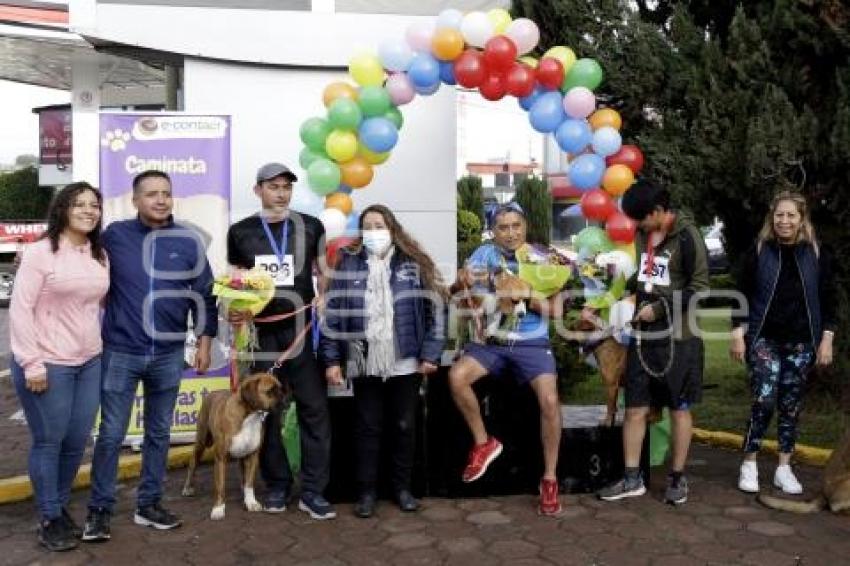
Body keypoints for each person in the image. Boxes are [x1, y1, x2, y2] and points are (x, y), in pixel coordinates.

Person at [83, 170, 217, 541]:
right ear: (135, 200)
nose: (160, 200)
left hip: (169, 355)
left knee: (159, 433)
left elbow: (205, 296)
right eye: (152, 194)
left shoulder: (188, 241)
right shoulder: (113, 237)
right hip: (120, 351)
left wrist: (204, 343)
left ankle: (150, 504)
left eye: (166, 193)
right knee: (110, 434)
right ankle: (99, 510)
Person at [321, 204, 446, 518]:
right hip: (364, 360)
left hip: (405, 360)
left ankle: (402, 489)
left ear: (393, 229)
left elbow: (436, 313)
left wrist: (431, 354)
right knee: (368, 427)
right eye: (368, 226)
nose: (374, 232)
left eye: (380, 225)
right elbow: (333, 317)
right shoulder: (346, 264)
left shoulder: (414, 263)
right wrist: (332, 361)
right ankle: (366, 493)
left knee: (403, 426)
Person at [226, 162, 335, 519]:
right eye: (273, 186)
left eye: (286, 186)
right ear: (258, 190)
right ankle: (277, 486)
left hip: (303, 329)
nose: (281, 193)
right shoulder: (240, 232)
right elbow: (234, 281)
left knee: (313, 410)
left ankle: (314, 490)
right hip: (263, 333)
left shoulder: (310, 225)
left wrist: (323, 297)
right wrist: (235, 309)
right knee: (264, 412)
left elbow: (323, 272)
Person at [448, 202, 565, 517]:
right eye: (503, 227)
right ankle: (484, 443)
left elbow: (558, 311)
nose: (511, 233)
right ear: (493, 230)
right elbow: (456, 293)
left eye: (516, 225)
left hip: (532, 342)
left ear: (525, 225)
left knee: (550, 402)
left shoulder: (544, 257)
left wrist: (524, 292)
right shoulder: (484, 255)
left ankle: (550, 478)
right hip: (492, 342)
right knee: (457, 377)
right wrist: (463, 282)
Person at [10, 182, 109, 551]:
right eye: (79, 204)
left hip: (89, 361)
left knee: (76, 441)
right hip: (47, 362)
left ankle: (60, 504)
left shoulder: (98, 254)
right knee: (49, 441)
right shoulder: (39, 253)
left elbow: (98, 304)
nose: (88, 210)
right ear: (62, 209)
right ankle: (50, 516)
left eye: (94, 205)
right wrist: (32, 363)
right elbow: (20, 309)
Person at [597, 179, 709, 506]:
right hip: (643, 338)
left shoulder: (688, 237)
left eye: (641, 218)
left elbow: (700, 287)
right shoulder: (645, 234)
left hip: (679, 339)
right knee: (634, 409)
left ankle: (676, 478)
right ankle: (632, 478)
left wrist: (659, 309)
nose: (636, 225)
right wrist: (615, 290)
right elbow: (645, 275)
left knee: (679, 408)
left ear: (658, 211)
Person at [731, 190, 835, 494]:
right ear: (772, 218)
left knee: (790, 405)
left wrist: (826, 338)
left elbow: (828, 299)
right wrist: (737, 332)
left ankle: (783, 468)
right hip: (764, 339)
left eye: (791, 215)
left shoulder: (816, 252)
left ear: (801, 219)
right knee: (763, 400)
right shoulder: (760, 249)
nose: (785, 221)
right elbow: (742, 292)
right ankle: (749, 463)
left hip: (803, 342)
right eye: (779, 215)